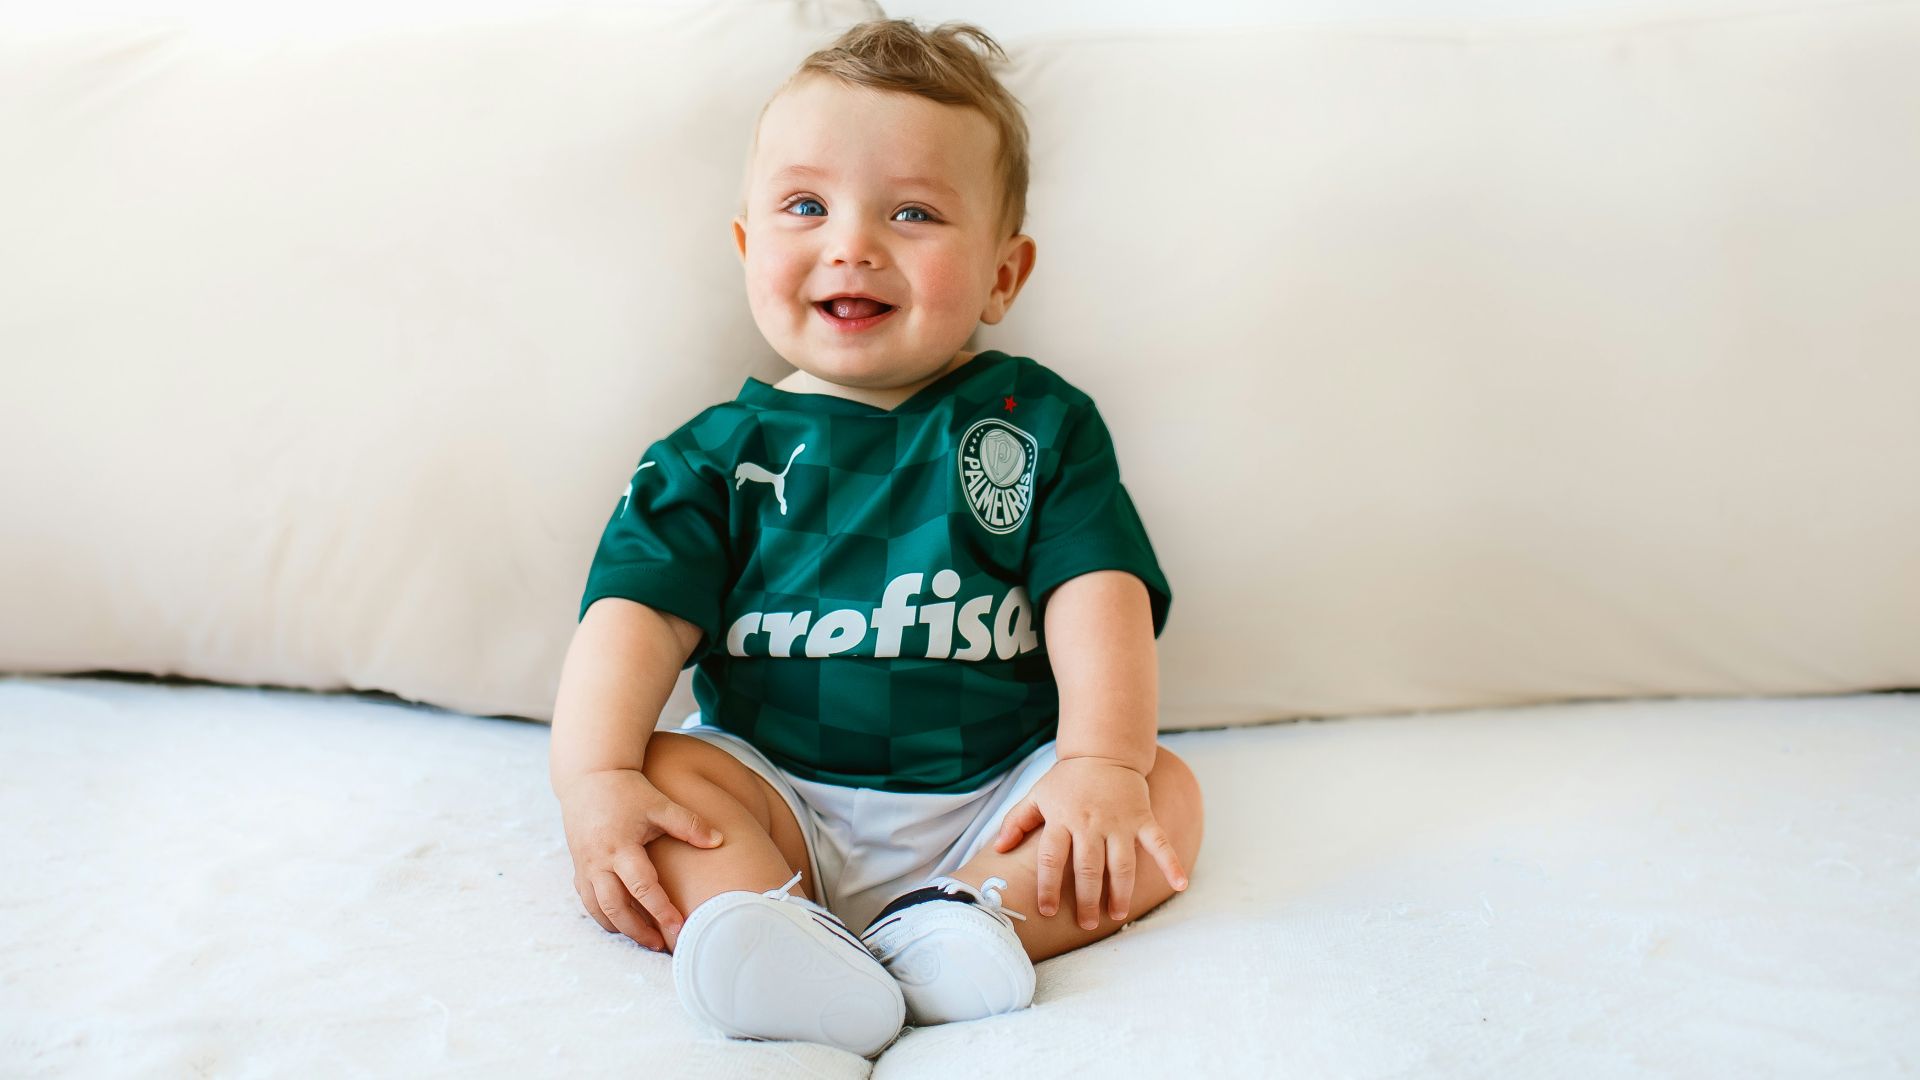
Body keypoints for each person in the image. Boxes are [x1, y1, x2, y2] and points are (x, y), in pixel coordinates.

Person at [549, 17, 1204, 1059]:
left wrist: (1098, 761)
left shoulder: (1037, 424)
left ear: (1002, 273)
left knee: (1159, 791)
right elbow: (630, 619)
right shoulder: (713, 455)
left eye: (913, 212)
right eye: (805, 206)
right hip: (778, 786)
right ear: (748, 247)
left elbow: (1099, 588)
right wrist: (594, 783)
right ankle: (784, 934)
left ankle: (973, 923)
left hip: (996, 798)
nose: (852, 243)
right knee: (667, 774)